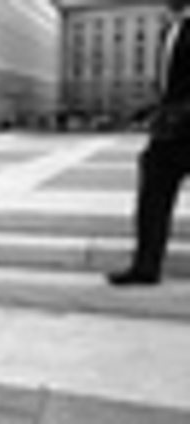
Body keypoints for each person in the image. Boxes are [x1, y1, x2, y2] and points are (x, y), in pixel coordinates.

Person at [108, 0, 190, 287]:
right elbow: (172, 86)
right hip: (170, 133)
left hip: (181, 125)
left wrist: (180, 112)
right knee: (152, 200)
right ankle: (146, 267)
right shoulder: (171, 29)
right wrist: (151, 110)